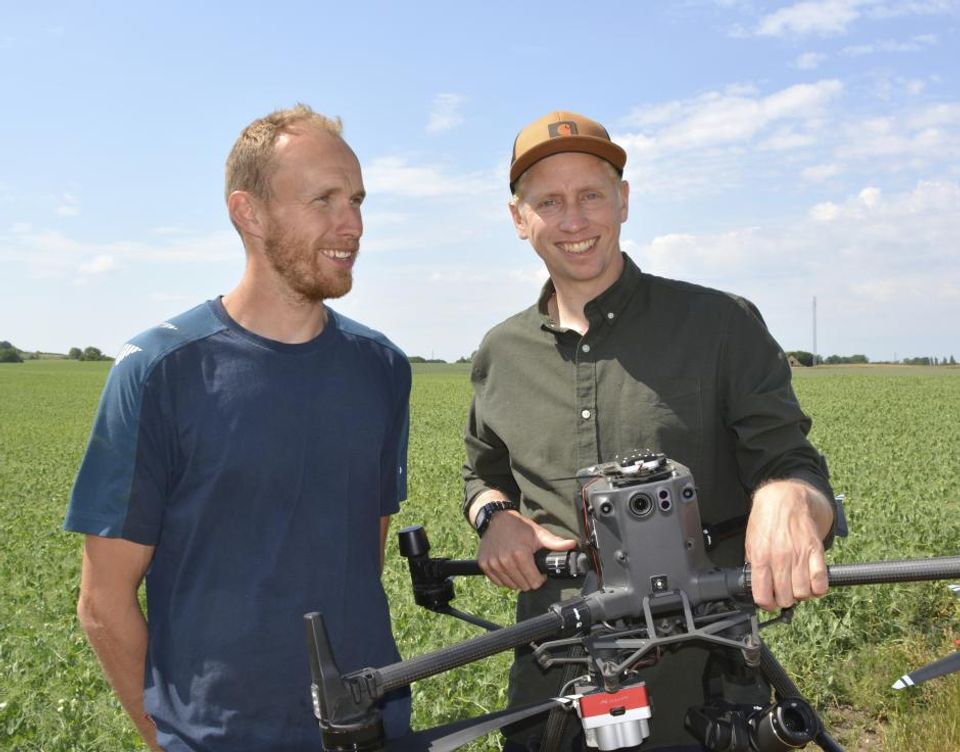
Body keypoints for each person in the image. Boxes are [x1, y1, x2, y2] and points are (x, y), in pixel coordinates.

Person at [461, 111, 836, 751]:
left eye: (590, 196)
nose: (573, 220)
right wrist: (494, 516)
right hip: (552, 674)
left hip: (706, 675)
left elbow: (793, 465)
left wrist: (787, 498)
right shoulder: (502, 353)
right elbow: (482, 473)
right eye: (549, 202)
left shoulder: (720, 323)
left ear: (624, 201)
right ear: (520, 220)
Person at [64, 104, 412, 752]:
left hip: (373, 729)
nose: (353, 224)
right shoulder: (160, 371)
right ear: (248, 213)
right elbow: (103, 602)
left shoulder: (382, 368)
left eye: (358, 200)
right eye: (325, 199)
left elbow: (362, 554)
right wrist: (171, 739)